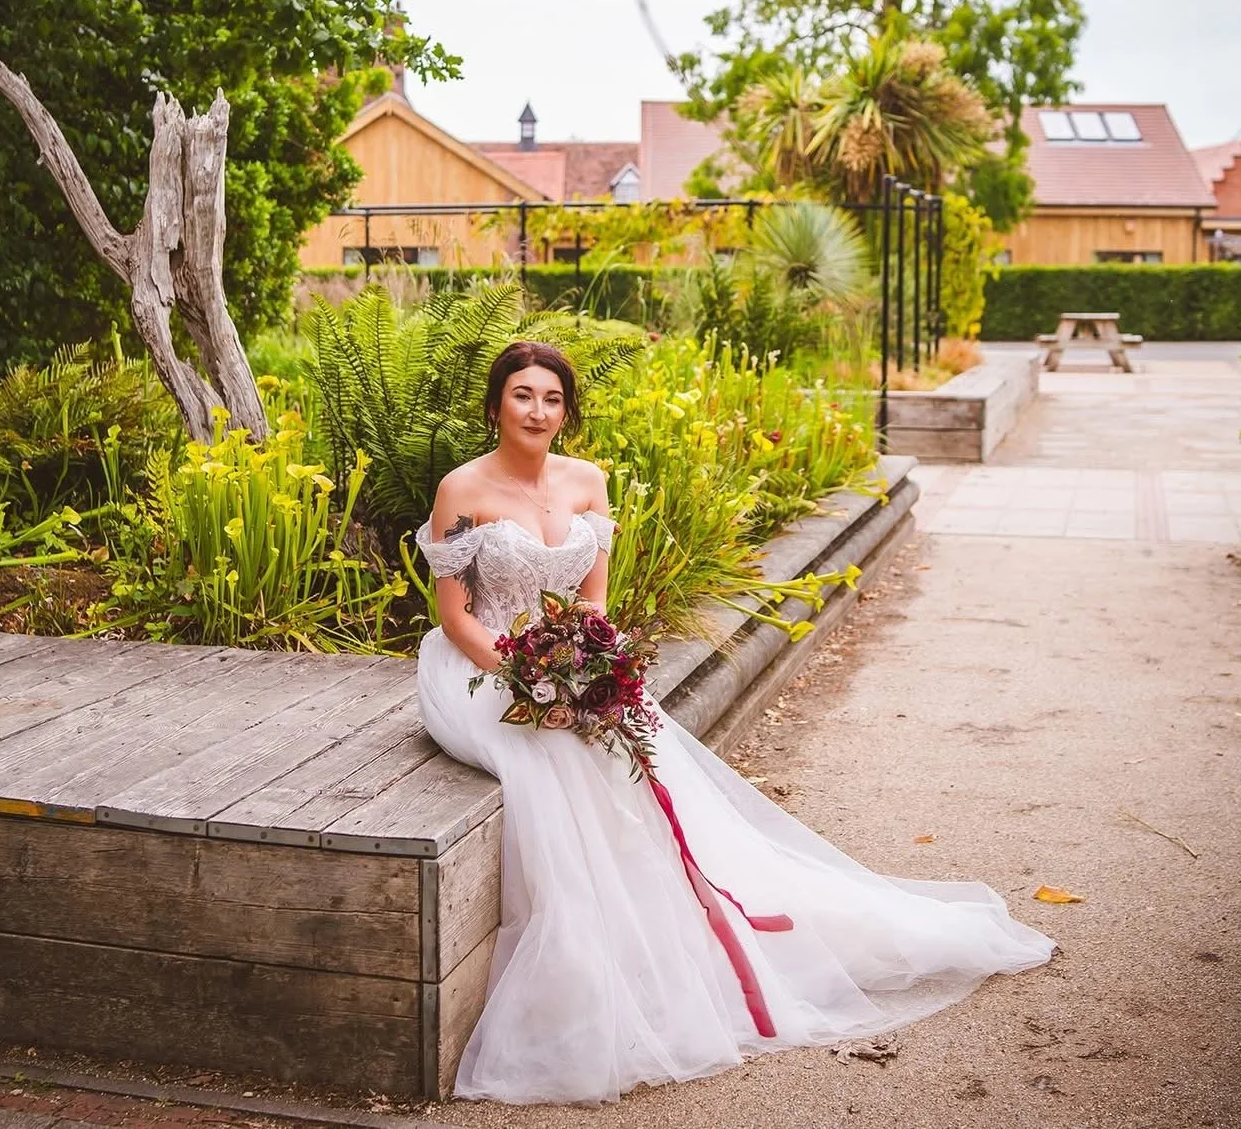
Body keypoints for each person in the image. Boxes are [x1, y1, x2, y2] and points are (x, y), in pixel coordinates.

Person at [414, 340, 1055, 1105]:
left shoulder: (588, 481)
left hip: (572, 666)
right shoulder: (462, 490)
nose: (538, 411)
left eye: (552, 398)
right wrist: (531, 679)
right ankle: (596, 963)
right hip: (485, 670)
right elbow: (454, 618)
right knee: (554, 767)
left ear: (567, 410)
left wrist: (587, 672)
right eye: (522, 395)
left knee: (642, 762)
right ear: (495, 406)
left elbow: (592, 604)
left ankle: (685, 932)